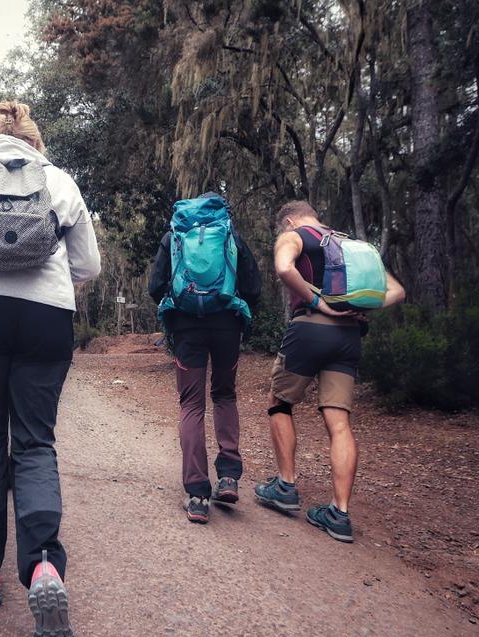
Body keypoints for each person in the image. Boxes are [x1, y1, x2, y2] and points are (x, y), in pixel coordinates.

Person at [0, 100, 100, 637]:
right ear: (36, 141)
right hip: (46, 316)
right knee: (35, 442)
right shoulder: (60, 182)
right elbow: (88, 267)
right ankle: (42, 568)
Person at [253, 200, 405, 543]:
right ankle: (339, 513)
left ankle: (286, 487)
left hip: (310, 329)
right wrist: (351, 309)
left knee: (279, 403)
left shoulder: (295, 235)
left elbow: (283, 268)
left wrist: (318, 303)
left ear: (288, 220)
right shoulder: (350, 245)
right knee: (339, 423)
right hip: (349, 337)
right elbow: (396, 291)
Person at [148, 192, 261, 524]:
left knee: (191, 404)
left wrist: (178, 308)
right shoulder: (229, 234)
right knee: (225, 394)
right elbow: (253, 286)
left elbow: (156, 285)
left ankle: (197, 494)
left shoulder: (173, 236)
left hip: (186, 328)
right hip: (227, 323)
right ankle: (228, 476)